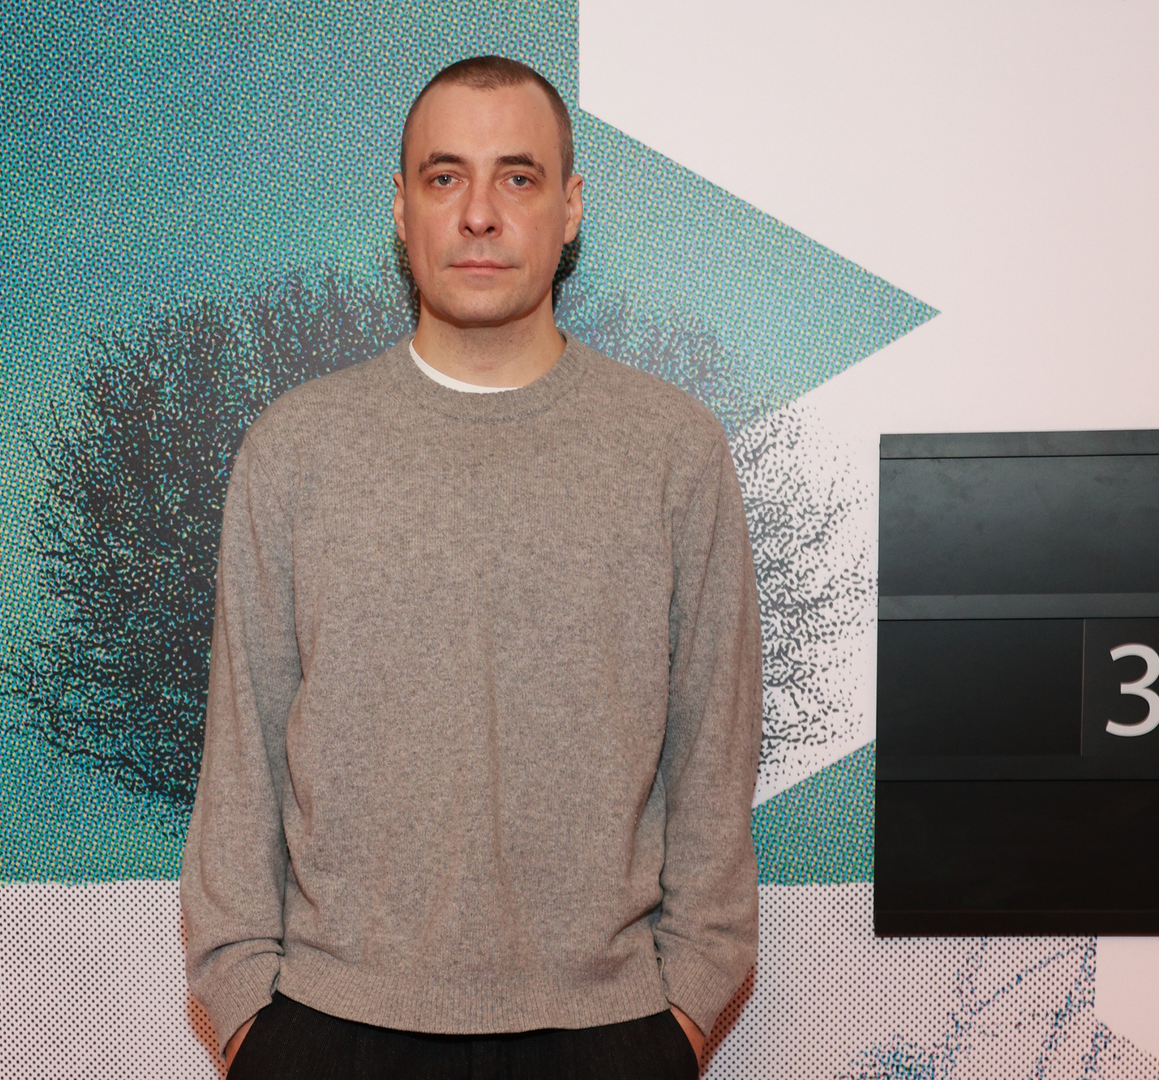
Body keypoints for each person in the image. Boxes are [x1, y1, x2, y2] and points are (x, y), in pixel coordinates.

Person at [180, 55, 763, 1079]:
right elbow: (245, 751)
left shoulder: (673, 450)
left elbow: (713, 752)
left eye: (517, 178)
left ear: (569, 208)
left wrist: (682, 1009)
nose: (480, 214)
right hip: (326, 1029)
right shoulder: (295, 450)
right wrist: (244, 1016)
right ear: (401, 209)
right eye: (445, 177)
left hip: (611, 1036)